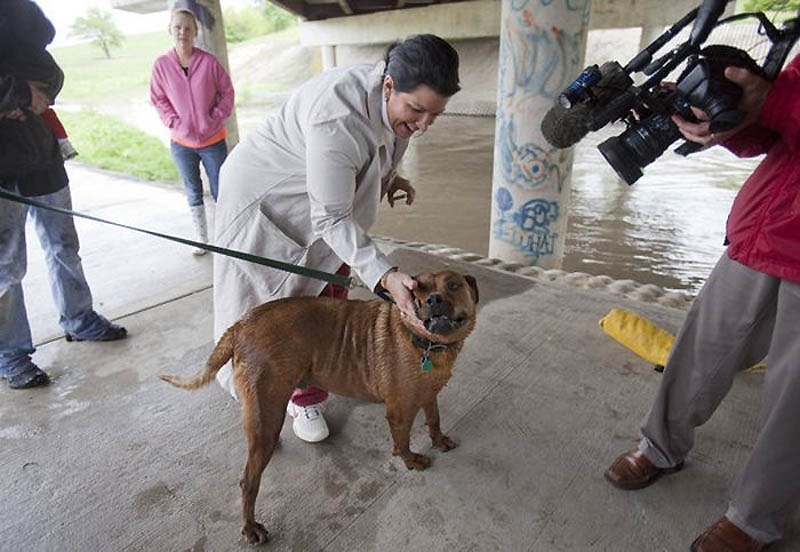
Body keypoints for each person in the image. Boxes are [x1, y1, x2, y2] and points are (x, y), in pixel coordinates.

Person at [212, 34, 461, 443]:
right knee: (277, 314)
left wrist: (389, 176)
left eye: (434, 116)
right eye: (417, 111)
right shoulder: (337, 116)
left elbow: (379, 144)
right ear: (388, 86)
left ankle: (333, 374)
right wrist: (385, 275)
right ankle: (299, 398)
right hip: (269, 199)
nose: (423, 126)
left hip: (324, 204)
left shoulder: (393, 99)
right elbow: (329, 216)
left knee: (334, 286)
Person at [604, 53, 800, 552]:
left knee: (793, 396)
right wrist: (727, 122)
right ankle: (660, 447)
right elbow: (775, 134)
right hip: (765, 227)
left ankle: (756, 518)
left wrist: (776, 100)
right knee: (703, 346)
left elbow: (786, 107)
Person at [0, 0, 127, 390]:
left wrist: (33, 92)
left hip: (42, 155)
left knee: (64, 244)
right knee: (6, 267)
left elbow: (48, 58)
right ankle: (11, 354)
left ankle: (79, 318)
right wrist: (18, 94)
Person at [150, 3, 235, 256]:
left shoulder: (208, 62)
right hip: (181, 142)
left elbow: (227, 93)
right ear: (170, 30)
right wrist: (174, 122)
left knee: (222, 188)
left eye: (187, 28)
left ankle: (226, 237)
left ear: (195, 31)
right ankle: (201, 239)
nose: (182, 32)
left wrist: (215, 117)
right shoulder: (161, 65)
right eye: (177, 27)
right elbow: (158, 98)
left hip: (213, 139)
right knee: (193, 190)